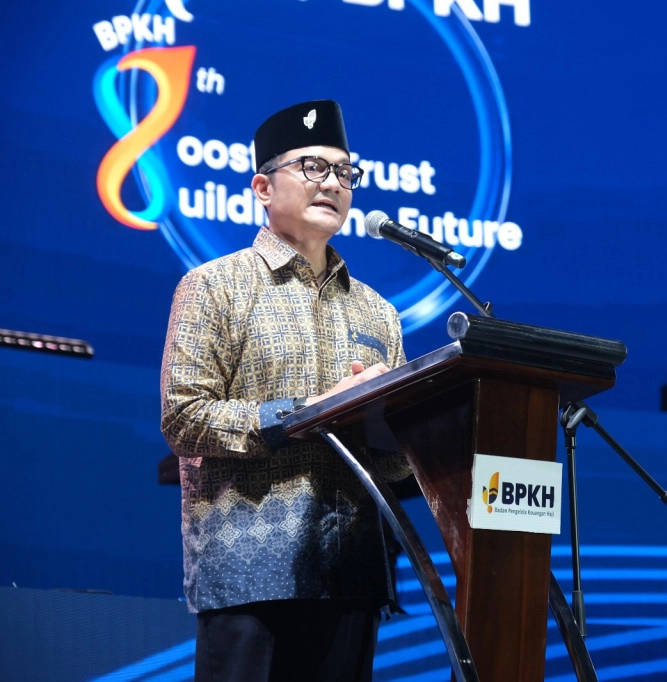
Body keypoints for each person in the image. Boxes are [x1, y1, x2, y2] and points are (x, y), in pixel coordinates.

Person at [160, 99, 409, 681]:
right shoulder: (213, 286)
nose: (333, 183)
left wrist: (414, 430)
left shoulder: (379, 311)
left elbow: (395, 464)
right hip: (251, 573)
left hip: (352, 574)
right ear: (263, 188)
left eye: (345, 172)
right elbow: (183, 416)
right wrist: (305, 414)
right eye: (313, 167)